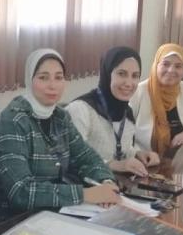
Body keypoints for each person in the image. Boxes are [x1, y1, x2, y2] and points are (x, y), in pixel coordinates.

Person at [0, 49, 120, 224]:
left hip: (46, 214)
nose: (53, 85)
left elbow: (86, 157)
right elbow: (21, 192)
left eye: (59, 77)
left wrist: (105, 181)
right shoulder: (12, 122)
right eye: (43, 78)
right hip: (4, 221)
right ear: (29, 80)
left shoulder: (60, 117)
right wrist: (86, 194)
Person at [66, 47, 160, 176]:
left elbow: (122, 148)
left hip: (116, 183)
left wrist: (138, 154)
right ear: (107, 74)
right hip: (86, 186)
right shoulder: (80, 109)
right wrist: (114, 165)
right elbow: (72, 159)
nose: (129, 83)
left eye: (135, 76)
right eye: (122, 74)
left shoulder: (126, 112)